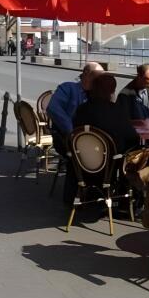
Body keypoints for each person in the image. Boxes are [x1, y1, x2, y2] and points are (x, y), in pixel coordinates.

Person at [47, 62, 104, 202]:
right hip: (65, 138)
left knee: (108, 154)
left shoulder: (98, 94)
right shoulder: (68, 88)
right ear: (86, 74)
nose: (100, 81)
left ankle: (99, 192)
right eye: (97, 77)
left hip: (92, 139)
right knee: (78, 157)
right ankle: (73, 197)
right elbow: (53, 109)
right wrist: (72, 131)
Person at [74, 73, 139, 155]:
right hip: (112, 157)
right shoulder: (116, 110)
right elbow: (131, 136)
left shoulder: (81, 109)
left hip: (83, 157)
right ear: (112, 91)